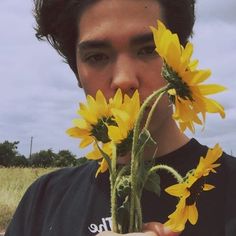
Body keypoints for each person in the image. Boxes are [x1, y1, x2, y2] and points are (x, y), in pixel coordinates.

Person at [5, 0, 236, 235]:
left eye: (148, 50)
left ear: (180, 58)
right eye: (96, 57)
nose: (124, 80)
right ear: (77, 71)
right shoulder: (43, 201)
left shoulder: (230, 189)